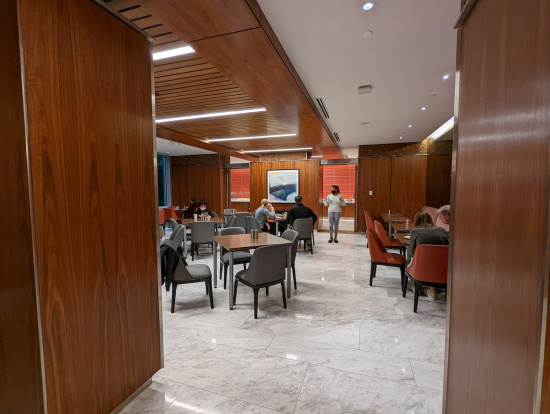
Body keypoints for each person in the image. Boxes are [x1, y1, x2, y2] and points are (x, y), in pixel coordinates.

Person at [407, 211, 449, 299]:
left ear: (416, 221)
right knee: (435, 261)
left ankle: (417, 287)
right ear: (430, 219)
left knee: (411, 255)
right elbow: (448, 244)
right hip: (440, 267)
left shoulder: (415, 232)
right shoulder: (440, 229)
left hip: (420, 267)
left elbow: (412, 253)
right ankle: (432, 290)